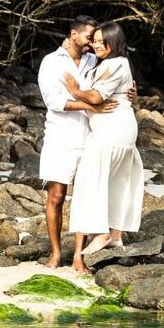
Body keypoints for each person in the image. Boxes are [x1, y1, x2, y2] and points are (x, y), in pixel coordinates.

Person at [37, 16, 119, 268]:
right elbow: (54, 102)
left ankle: (77, 257)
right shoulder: (51, 62)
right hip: (61, 136)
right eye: (88, 38)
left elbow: (115, 82)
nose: (92, 43)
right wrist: (89, 104)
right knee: (57, 196)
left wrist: (131, 91)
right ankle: (55, 253)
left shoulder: (96, 60)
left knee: (85, 197)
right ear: (73, 34)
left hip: (92, 135)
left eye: (95, 39)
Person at [67, 22, 145, 274]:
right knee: (115, 182)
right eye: (96, 40)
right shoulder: (115, 62)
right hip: (117, 129)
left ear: (115, 42)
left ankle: (101, 233)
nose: (97, 45)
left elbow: (97, 97)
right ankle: (115, 233)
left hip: (113, 130)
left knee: (91, 180)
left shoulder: (115, 63)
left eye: (102, 41)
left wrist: (75, 91)